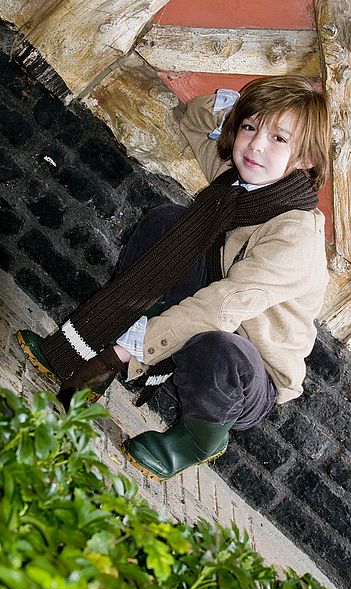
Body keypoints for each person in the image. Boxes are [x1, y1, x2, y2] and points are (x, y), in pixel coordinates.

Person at [17, 75, 331, 481]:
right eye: (251, 128)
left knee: (219, 348)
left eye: (279, 139)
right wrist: (232, 109)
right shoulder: (239, 179)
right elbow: (194, 120)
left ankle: (198, 440)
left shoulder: (296, 236)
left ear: (306, 159)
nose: (255, 146)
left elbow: (222, 307)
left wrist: (122, 353)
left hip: (249, 371)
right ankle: (81, 354)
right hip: (211, 313)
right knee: (166, 223)